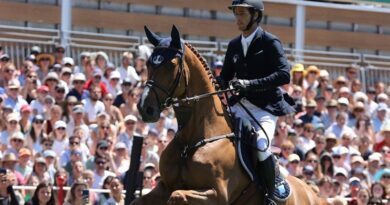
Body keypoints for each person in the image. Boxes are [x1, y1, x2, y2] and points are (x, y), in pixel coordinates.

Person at [219, 0, 296, 203]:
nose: (238, 18)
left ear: (256, 16)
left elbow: (283, 75)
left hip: (264, 110)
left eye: (242, 13)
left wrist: (249, 84)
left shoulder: (270, 42)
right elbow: (224, 77)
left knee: (261, 146)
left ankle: (270, 194)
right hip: (239, 107)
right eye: (236, 14)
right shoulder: (234, 45)